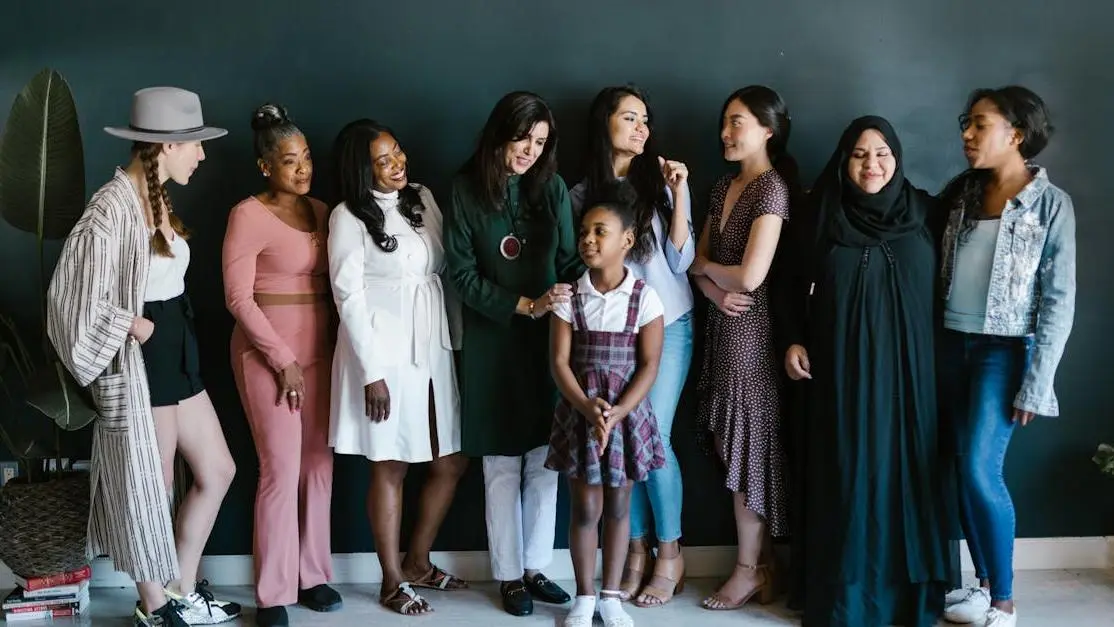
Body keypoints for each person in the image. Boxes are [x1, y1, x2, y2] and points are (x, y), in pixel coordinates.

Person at [47, 86, 238, 627]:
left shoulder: (155, 197)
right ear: (164, 147)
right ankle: (155, 607)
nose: (201, 155)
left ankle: (178, 588)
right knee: (149, 485)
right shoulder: (111, 207)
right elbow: (69, 293)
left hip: (179, 346)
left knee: (217, 469)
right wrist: (132, 324)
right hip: (144, 356)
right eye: (194, 144)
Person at [778, 116, 951, 627]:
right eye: (858, 154)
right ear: (843, 160)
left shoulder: (927, 212)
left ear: (897, 158)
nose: (870, 164)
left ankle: (910, 599)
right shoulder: (818, 214)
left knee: (908, 477)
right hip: (841, 373)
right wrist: (791, 340)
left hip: (912, 376)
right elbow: (786, 286)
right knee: (849, 475)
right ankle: (847, 597)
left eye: (881, 154)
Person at [937, 87, 1075, 627]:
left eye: (979, 124)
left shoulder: (1050, 204)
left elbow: (1059, 300)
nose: (967, 135)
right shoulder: (961, 194)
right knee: (955, 468)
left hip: (1004, 351)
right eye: (965, 124)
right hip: (948, 343)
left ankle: (1004, 603)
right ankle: (984, 584)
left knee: (978, 468)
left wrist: (1037, 382)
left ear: (1015, 134)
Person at [443, 91, 580, 617]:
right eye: (523, 137)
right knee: (500, 464)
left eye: (540, 142)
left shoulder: (553, 189)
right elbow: (461, 273)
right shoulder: (463, 190)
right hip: (493, 338)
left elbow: (569, 261)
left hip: (550, 341)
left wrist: (562, 307)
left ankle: (535, 567)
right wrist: (524, 304)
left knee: (546, 461)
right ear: (501, 131)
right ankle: (507, 576)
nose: (529, 150)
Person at [328, 119, 470, 616]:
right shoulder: (348, 216)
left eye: (398, 153)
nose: (396, 165)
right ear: (361, 169)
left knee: (449, 461)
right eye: (383, 161)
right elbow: (347, 295)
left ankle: (418, 561)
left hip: (432, 350)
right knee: (391, 464)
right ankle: (391, 579)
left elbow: (445, 272)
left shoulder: (423, 198)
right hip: (384, 353)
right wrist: (371, 371)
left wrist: (455, 341)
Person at [568, 85, 697, 607]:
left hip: (668, 325)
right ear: (606, 125)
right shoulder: (580, 196)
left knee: (655, 439)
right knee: (621, 442)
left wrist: (681, 192)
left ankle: (670, 552)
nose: (642, 128)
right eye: (630, 118)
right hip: (609, 338)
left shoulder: (659, 184)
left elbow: (681, 261)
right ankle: (635, 551)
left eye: (646, 119)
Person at [222, 104, 340, 627]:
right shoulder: (247, 214)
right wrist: (282, 360)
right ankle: (273, 593)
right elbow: (238, 299)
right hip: (267, 355)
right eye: (290, 160)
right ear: (265, 166)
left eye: (307, 157)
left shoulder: (322, 209)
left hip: (322, 352)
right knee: (281, 469)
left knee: (319, 465)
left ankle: (312, 574)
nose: (303, 168)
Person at [689, 85, 793, 611]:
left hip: (749, 338)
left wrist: (710, 272)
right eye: (725, 122)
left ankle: (750, 569)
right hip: (720, 327)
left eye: (738, 123)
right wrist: (711, 283)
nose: (726, 133)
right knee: (732, 445)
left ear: (767, 130)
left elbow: (751, 277)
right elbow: (697, 262)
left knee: (746, 449)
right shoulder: (721, 186)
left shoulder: (771, 190)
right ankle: (762, 565)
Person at [547, 182, 666, 627]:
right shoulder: (569, 296)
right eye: (584, 232)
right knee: (585, 508)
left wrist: (617, 413)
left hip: (626, 416)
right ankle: (583, 595)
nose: (589, 240)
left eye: (600, 231)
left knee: (619, 506)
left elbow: (650, 365)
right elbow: (559, 362)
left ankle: (611, 596)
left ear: (627, 240)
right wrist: (586, 407)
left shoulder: (644, 298)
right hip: (582, 412)